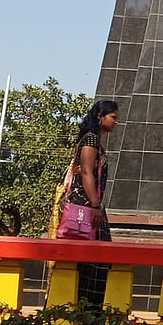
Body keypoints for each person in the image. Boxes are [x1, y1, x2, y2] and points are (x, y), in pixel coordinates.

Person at [64, 99, 119, 312]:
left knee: (96, 261)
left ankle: (88, 310)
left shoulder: (95, 141)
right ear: (100, 117)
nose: (116, 122)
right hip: (87, 210)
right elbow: (87, 172)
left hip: (91, 209)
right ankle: (85, 311)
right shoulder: (91, 141)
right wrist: (96, 206)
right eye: (113, 117)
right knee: (94, 260)